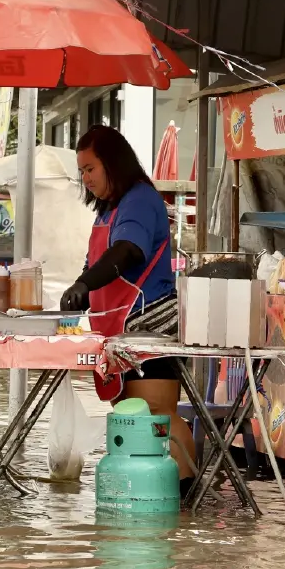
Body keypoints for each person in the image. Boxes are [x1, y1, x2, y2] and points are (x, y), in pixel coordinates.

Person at [59, 124, 193, 494]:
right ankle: (157, 496)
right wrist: (81, 289)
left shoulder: (139, 199)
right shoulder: (108, 210)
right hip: (119, 331)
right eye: (81, 171)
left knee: (158, 412)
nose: (85, 178)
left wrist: (85, 284)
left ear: (113, 164)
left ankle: (186, 495)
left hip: (149, 324)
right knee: (135, 414)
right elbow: (97, 263)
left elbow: (128, 250)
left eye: (90, 169)